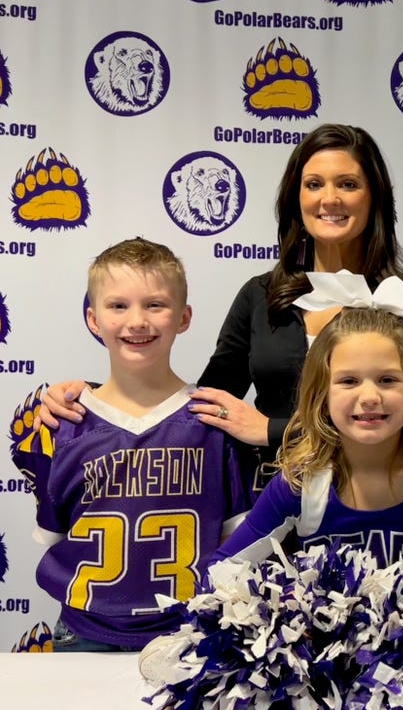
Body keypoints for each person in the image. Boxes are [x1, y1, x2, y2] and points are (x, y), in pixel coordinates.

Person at [144, 275, 403, 710]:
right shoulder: (301, 481)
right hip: (320, 670)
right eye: (349, 381)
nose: (369, 397)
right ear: (321, 394)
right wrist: (279, 620)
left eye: (388, 380)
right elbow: (220, 571)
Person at [36, 124, 403, 498]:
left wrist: (271, 430)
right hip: (275, 506)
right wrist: (95, 400)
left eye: (348, 184)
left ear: (374, 196)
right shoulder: (261, 295)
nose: (329, 199)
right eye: (313, 185)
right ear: (296, 198)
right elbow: (205, 401)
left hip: (381, 507)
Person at [13, 238, 249, 651]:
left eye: (155, 305)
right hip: (84, 632)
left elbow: (236, 544)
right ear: (93, 318)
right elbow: (55, 540)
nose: (137, 321)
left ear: (184, 317)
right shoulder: (61, 426)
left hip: (191, 636)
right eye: (118, 306)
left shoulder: (215, 423)